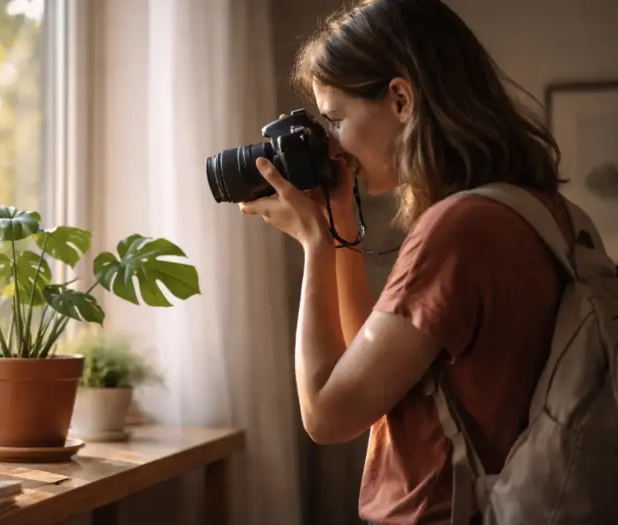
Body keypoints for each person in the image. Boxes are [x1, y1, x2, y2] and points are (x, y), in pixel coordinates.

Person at [238, 0, 574, 524]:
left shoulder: (458, 231)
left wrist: (315, 245)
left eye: (336, 119)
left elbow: (328, 416)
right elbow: (363, 377)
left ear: (400, 99)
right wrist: (339, 228)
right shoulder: (534, 209)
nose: (334, 146)